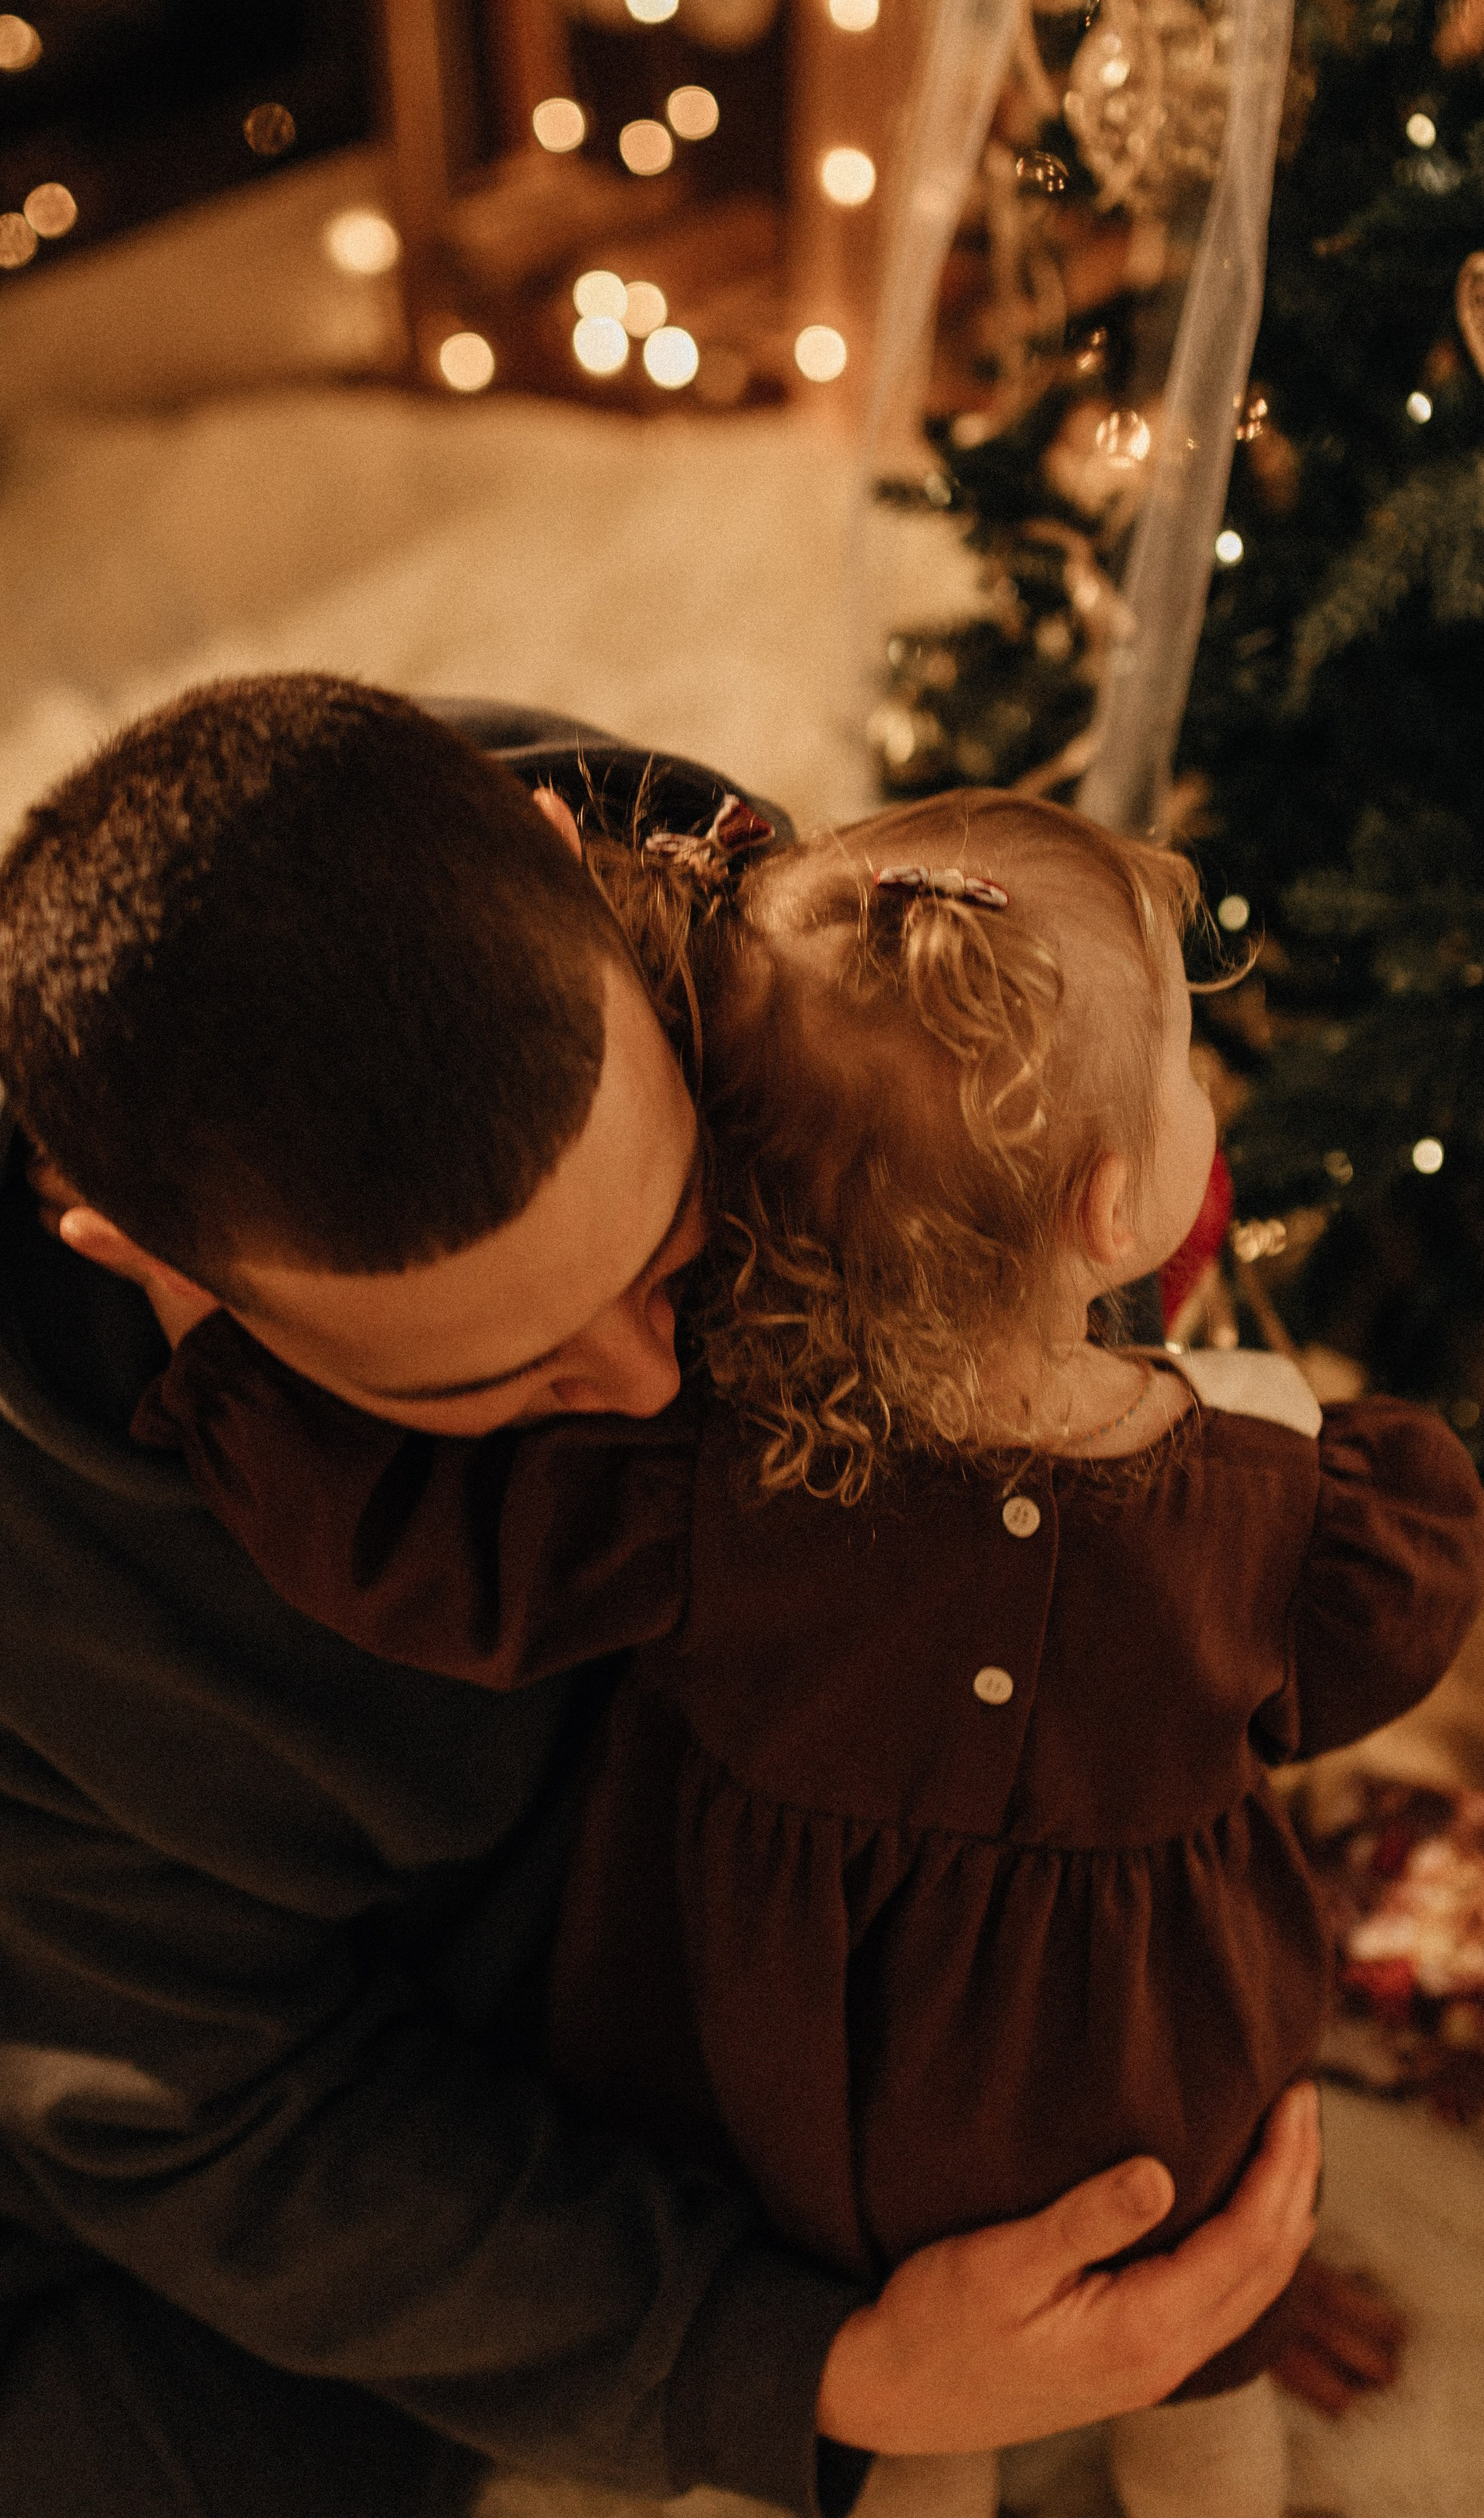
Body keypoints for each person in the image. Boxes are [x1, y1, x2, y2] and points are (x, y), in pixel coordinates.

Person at [0, 679, 1325, 2518]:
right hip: (404, 2026)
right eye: (496, 1378)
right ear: (140, 1260)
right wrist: (815, 2369)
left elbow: (1058, 1367)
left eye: (675, 1245)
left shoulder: (772, 943)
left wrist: (1130, 2086)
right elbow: (213, 2116)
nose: (645, 1384)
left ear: (575, 876)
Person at [125, 782, 1484, 2517]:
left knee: (913, 2449)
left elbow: (432, 1562)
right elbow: (1375, 1654)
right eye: (1184, 1069)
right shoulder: (1283, 1491)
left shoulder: (708, 1473)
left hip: (804, 2093)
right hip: (1168, 2091)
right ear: (1119, 1198)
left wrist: (224, 1351)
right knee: (1199, 2402)